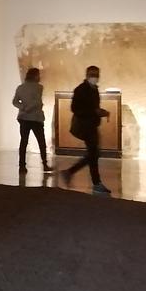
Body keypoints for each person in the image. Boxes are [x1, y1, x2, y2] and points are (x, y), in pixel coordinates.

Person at [62, 65, 111, 195]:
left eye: (97, 74)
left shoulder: (94, 89)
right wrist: (94, 112)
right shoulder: (81, 90)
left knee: (94, 154)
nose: (95, 77)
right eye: (92, 74)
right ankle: (95, 183)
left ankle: (71, 172)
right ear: (87, 75)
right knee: (94, 154)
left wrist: (99, 112)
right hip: (85, 126)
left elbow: (92, 107)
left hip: (92, 125)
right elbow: (75, 109)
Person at [12, 67, 51, 174]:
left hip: (23, 117)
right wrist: (30, 108)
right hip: (35, 117)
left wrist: (23, 107)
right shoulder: (39, 87)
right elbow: (37, 101)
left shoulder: (20, 87)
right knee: (41, 141)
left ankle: (22, 166)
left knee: (23, 141)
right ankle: (44, 164)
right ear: (35, 76)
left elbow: (15, 101)